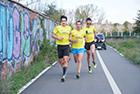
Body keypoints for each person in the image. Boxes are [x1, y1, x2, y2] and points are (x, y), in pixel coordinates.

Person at [52, 15, 71, 82]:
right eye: (62, 21)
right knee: (61, 62)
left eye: (65, 21)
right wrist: (58, 38)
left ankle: (63, 74)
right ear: (60, 22)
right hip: (60, 46)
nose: (63, 22)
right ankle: (64, 70)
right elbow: (52, 35)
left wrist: (70, 40)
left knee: (65, 60)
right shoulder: (57, 28)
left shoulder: (69, 28)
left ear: (66, 22)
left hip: (66, 46)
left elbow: (70, 35)